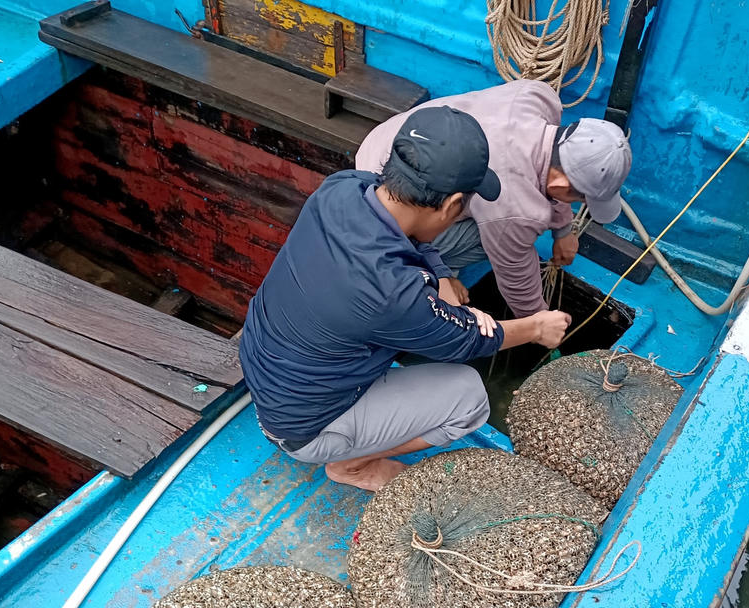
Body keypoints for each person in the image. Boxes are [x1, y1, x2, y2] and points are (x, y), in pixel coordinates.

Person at [239, 105, 572, 492]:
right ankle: (351, 465)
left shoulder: (342, 188)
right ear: (451, 205)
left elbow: (412, 240)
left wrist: (442, 277)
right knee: (469, 398)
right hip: (303, 428)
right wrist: (537, 327)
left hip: (268, 376)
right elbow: (471, 341)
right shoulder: (392, 294)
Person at [355, 80, 632, 318]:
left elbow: (550, 169)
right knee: (497, 238)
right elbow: (516, 278)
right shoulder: (516, 209)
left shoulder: (537, 95)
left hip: (388, 144)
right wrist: (538, 321)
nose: (579, 205)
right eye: (582, 199)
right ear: (560, 186)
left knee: (500, 225)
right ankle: (432, 270)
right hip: (388, 203)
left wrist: (563, 231)